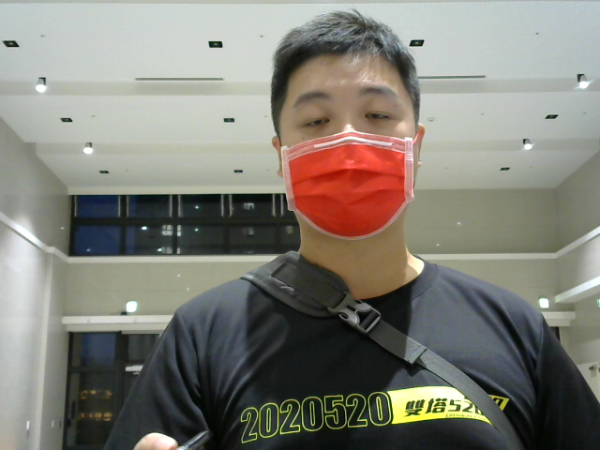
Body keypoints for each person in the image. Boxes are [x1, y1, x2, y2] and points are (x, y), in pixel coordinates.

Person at [105, 10, 600, 450]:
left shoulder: (513, 328)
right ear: (281, 155)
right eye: (316, 120)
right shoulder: (203, 336)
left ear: (416, 147)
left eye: (377, 115)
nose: (347, 141)